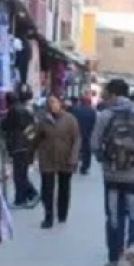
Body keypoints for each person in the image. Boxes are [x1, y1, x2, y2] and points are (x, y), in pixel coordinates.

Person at [91, 79, 134, 266]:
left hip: (111, 176)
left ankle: (113, 257)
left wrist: (105, 160)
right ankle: (133, 245)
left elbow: (94, 144)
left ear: (113, 94)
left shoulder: (104, 115)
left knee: (113, 215)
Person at [33, 94, 81, 228]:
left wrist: (74, 157)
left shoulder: (70, 119)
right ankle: (48, 216)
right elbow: (34, 138)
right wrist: (30, 153)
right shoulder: (43, 120)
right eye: (49, 103)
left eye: (54, 102)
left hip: (65, 159)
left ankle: (62, 213)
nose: (52, 105)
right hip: (47, 158)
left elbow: (76, 140)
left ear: (60, 103)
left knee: (64, 188)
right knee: (47, 189)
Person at [1, 90, 40, 208]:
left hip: (18, 145)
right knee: (21, 173)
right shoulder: (25, 110)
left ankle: (24, 197)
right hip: (25, 146)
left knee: (19, 174)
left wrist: (0, 122)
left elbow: (6, 126)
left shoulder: (13, 111)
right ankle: (29, 194)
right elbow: (32, 129)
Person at [70, 95, 98, 175]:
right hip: (87, 133)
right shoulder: (92, 111)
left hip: (76, 132)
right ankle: (84, 167)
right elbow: (94, 123)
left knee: (75, 149)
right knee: (87, 151)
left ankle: (74, 165)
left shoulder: (75, 110)